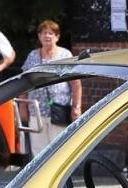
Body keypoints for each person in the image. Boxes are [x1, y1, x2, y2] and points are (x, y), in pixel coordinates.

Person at [19, 20, 83, 154]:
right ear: (39, 36)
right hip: (36, 110)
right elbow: (24, 82)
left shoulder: (65, 55)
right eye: (44, 33)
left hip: (59, 109)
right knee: (38, 151)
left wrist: (76, 107)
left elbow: (76, 84)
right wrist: (22, 106)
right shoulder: (32, 56)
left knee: (58, 150)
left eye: (51, 33)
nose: (47, 36)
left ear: (57, 37)